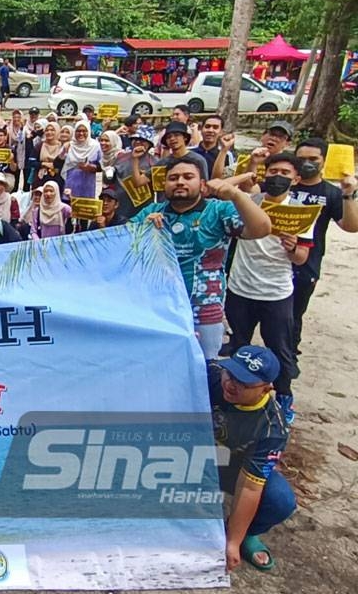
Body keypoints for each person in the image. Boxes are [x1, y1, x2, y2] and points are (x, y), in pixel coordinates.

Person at [133, 159, 271, 360]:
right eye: (173, 178)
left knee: (204, 371)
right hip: (157, 308)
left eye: (188, 177)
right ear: (164, 185)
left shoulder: (218, 211)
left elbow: (262, 229)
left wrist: (236, 195)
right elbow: (123, 247)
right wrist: (142, 230)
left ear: (203, 185)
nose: (180, 182)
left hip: (204, 312)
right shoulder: (150, 212)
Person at [226, 153, 312, 422]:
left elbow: (302, 258)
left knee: (280, 349)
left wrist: (293, 248)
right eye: (273, 171)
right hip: (240, 288)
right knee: (239, 344)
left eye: (285, 173)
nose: (278, 177)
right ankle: (237, 397)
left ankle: (284, 397)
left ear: (296, 178)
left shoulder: (302, 213)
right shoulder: (248, 202)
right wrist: (248, 171)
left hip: (276, 293)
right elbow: (220, 186)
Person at [208, 346, 295, 573]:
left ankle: (246, 534)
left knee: (280, 500)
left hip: (231, 467)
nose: (231, 384)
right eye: (231, 374)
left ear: (266, 389)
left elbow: (249, 487)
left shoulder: (271, 428)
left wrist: (233, 542)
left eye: (244, 383)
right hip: (188, 452)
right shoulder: (213, 375)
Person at [289, 138, 358, 355]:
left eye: (313, 159)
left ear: (324, 160)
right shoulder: (283, 183)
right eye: (301, 159)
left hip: (307, 262)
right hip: (271, 260)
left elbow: (350, 226)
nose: (307, 163)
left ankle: (290, 355)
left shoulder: (332, 193)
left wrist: (348, 194)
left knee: (294, 313)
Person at [108, 124, 156, 222]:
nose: (138, 142)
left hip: (143, 209)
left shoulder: (154, 162)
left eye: (142, 140)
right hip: (120, 207)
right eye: (135, 139)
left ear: (149, 144)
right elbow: (110, 181)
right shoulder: (121, 157)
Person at [63, 119, 102, 200]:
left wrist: (92, 167)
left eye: (84, 131)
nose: (81, 133)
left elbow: (103, 166)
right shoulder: (69, 146)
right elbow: (57, 164)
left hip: (87, 187)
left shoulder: (95, 146)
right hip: (69, 186)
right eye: (78, 131)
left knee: (85, 210)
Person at [193, 115, 235, 180]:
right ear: (201, 129)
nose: (210, 130)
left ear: (221, 132)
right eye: (207, 127)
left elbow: (229, 179)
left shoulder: (226, 155)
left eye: (215, 127)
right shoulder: (189, 151)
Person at [34, 122, 65, 192]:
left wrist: (54, 165)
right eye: (47, 130)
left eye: (52, 130)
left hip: (58, 179)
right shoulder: (39, 145)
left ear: (57, 131)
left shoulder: (62, 147)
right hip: (41, 179)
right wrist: (43, 164)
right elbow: (31, 162)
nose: (49, 132)